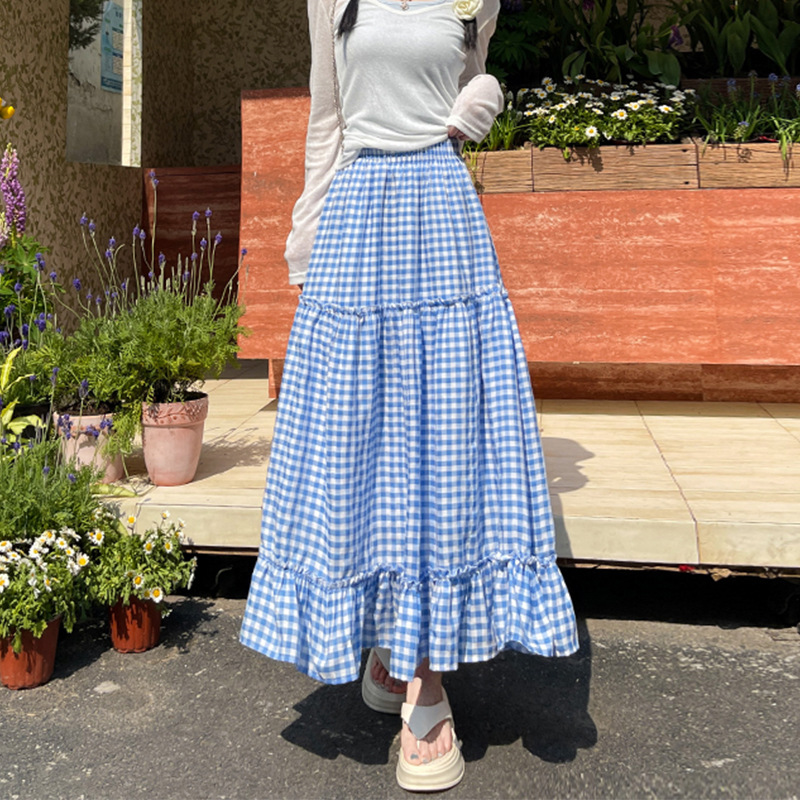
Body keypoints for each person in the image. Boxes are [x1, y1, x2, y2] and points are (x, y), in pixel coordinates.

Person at [240, 0, 579, 791]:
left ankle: (426, 678)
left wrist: (479, 104)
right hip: (358, 219)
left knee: (444, 442)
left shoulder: (473, 0)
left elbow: (470, 82)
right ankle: (391, 644)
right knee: (362, 444)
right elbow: (326, 120)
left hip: (443, 216)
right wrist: (304, 250)